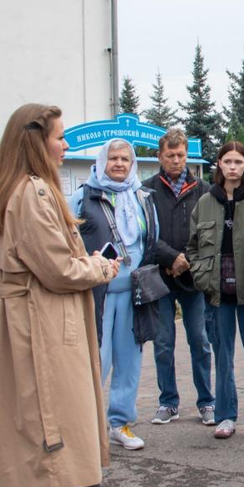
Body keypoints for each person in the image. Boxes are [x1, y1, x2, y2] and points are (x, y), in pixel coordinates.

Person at [0, 104, 120, 487]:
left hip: (32, 322)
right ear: (35, 142)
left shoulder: (15, 189)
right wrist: (100, 268)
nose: (65, 145)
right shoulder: (34, 193)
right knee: (51, 434)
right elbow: (58, 270)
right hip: (42, 327)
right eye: (59, 137)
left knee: (43, 434)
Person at [70, 139, 159, 451]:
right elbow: (67, 242)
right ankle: (85, 426)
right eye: (113, 159)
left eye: (125, 158)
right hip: (98, 293)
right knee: (97, 360)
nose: (119, 164)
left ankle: (120, 423)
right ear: (101, 161)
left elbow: (151, 238)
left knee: (129, 361)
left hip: (133, 292)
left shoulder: (142, 196)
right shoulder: (83, 197)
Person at [186, 141, 244, 440]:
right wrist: (200, 274)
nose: (233, 167)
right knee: (222, 355)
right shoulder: (205, 202)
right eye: (228, 161)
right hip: (217, 291)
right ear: (219, 165)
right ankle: (225, 416)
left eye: (239, 161)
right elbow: (193, 246)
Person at [143, 128, 215, 427]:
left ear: (188, 156)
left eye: (181, 155)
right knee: (163, 342)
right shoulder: (146, 190)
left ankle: (207, 402)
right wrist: (170, 257)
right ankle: (168, 401)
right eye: (170, 155)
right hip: (159, 277)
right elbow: (144, 231)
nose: (176, 160)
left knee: (200, 340)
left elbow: (207, 231)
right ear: (160, 156)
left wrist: (186, 258)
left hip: (193, 279)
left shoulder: (203, 189)